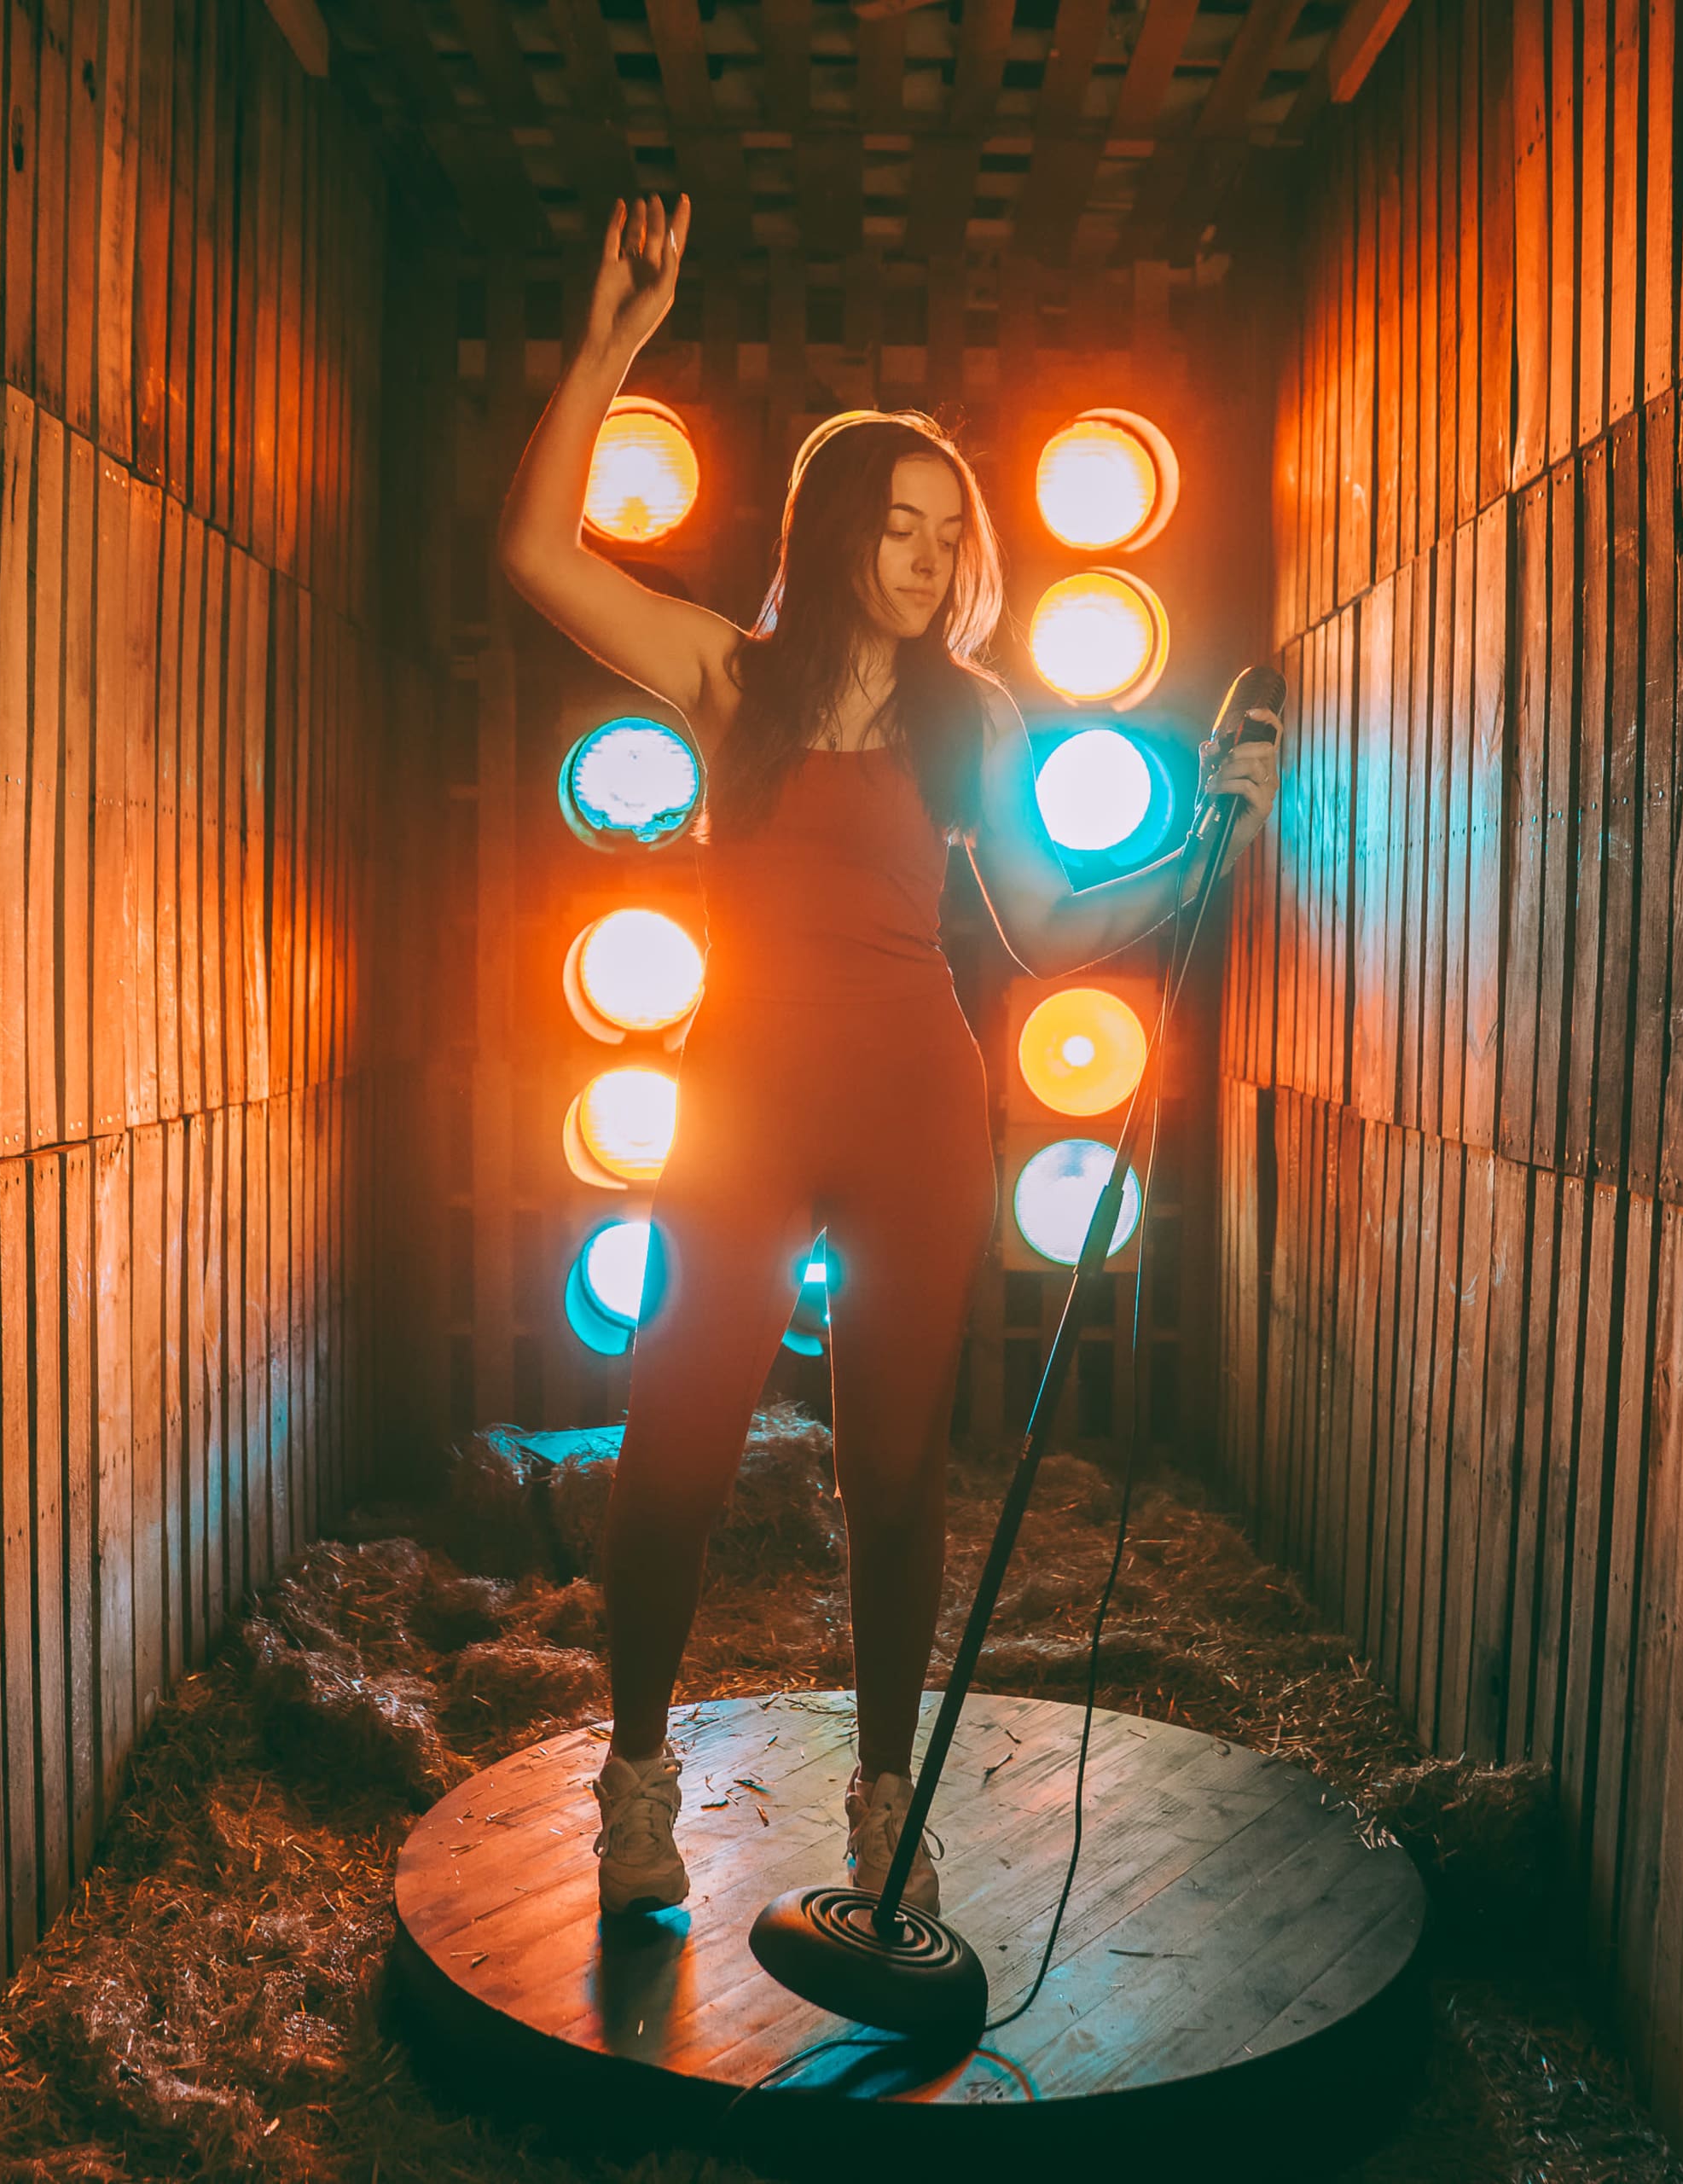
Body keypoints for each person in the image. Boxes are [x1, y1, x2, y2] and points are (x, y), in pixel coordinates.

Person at [497, 195, 1279, 1920]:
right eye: (904, 526)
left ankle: (880, 1798)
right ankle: (636, 1785)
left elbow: (1056, 930)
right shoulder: (727, 675)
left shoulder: (974, 716)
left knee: (898, 1472)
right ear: (841, 524)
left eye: (951, 537)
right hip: (740, 1110)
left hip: (921, 1105)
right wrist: (618, 335)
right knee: (680, 1443)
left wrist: (1209, 836)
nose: (929, 561)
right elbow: (537, 558)